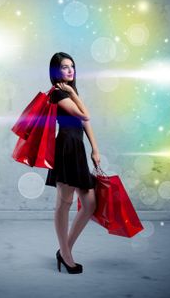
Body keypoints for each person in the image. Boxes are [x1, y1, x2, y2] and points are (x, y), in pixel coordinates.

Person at [45, 52, 101, 274]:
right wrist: (71, 93)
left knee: (89, 204)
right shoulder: (58, 94)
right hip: (66, 149)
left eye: (72, 66)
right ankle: (66, 255)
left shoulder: (70, 91)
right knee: (65, 204)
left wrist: (95, 149)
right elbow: (85, 115)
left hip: (77, 148)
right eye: (64, 67)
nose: (69, 70)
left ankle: (63, 249)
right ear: (55, 71)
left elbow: (85, 124)